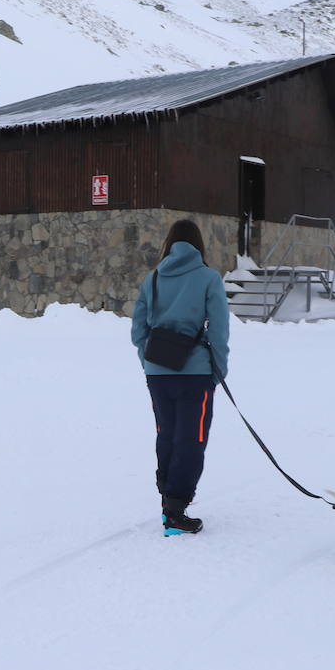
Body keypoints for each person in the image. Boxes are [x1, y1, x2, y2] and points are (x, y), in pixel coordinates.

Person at [130, 220, 231, 536]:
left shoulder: (154, 278)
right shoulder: (208, 278)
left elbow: (138, 331)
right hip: (195, 375)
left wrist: (150, 361)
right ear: (199, 244)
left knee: (167, 433)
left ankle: (168, 501)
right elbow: (218, 329)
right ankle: (175, 512)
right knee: (192, 438)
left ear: (169, 244)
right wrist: (219, 369)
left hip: (158, 374)